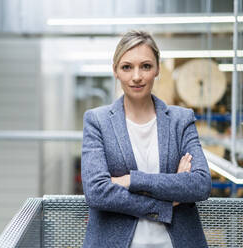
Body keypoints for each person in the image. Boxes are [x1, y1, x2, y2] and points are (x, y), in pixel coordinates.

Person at [81, 30, 212, 248]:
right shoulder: (97, 121)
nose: (136, 76)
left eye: (146, 66)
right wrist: (167, 201)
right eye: (127, 67)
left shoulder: (181, 120)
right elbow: (96, 192)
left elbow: (200, 184)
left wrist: (131, 180)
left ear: (157, 69)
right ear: (115, 71)